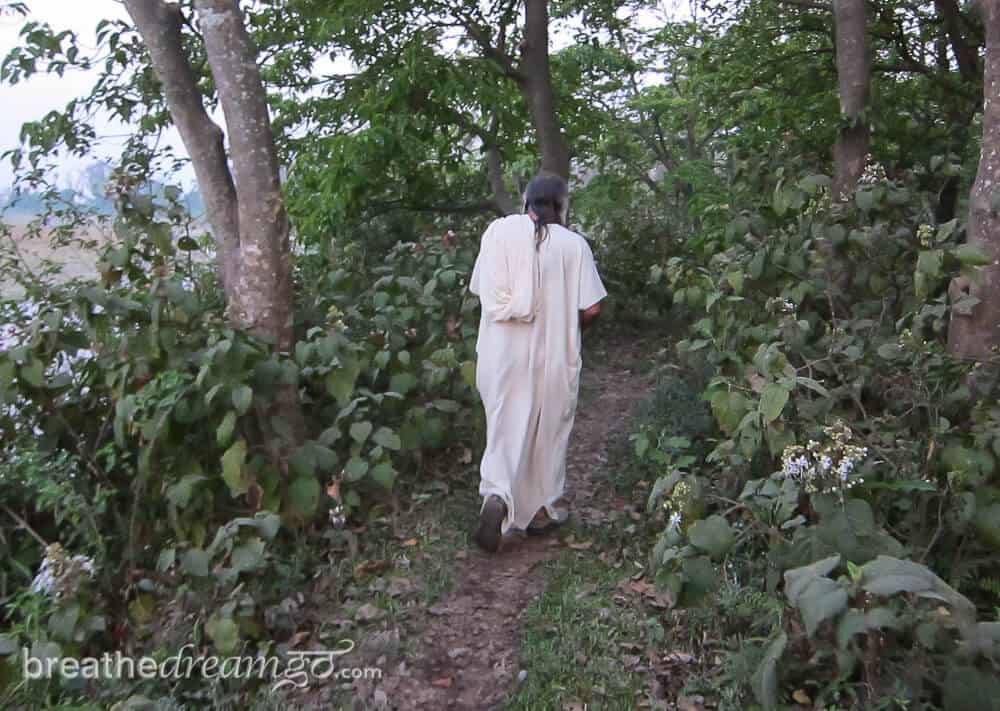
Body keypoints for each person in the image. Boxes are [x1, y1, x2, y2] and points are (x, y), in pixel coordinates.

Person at [468, 172, 607, 553]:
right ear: (561, 206)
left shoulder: (498, 236)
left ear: (526, 201)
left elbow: (483, 291)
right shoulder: (574, 246)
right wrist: (569, 323)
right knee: (548, 431)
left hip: (501, 356)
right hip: (554, 357)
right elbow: (593, 306)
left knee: (504, 427)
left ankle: (497, 495)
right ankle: (545, 510)